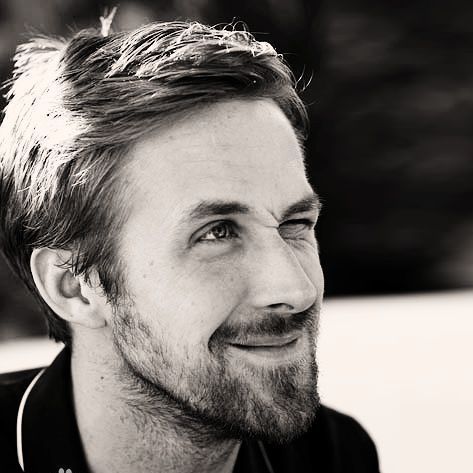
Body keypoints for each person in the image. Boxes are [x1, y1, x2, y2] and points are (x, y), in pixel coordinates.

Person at [0, 18, 379, 473]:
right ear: (75, 286)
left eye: (294, 223)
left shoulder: (335, 455)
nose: (297, 290)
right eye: (217, 232)